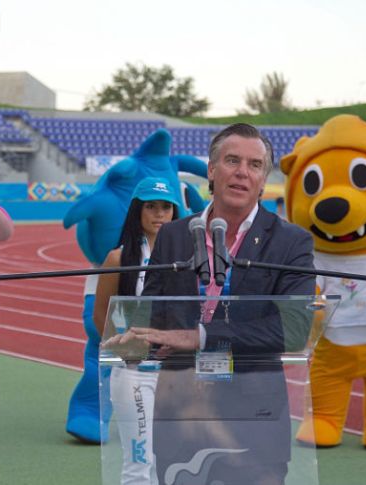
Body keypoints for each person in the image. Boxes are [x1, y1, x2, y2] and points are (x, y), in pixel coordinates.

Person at [107, 123, 316, 485]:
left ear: (263, 180)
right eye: (232, 160)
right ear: (211, 170)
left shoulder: (291, 242)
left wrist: (201, 336)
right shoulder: (174, 234)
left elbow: (294, 329)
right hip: (181, 408)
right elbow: (150, 309)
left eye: (253, 165)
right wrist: (137, 337)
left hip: (253, 416)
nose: (241, 172)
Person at [93, 176, 180, 485]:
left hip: (174, 371)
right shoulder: (118, 258)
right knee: (138, 463)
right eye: (151, 207)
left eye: (166, 207)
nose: (159, 214)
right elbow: (101, 314)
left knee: (168, 462)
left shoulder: (185, 258)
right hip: (135, 371)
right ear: (137, 212)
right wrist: (126, 350)